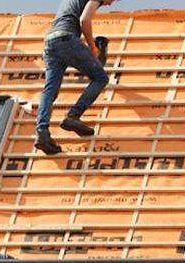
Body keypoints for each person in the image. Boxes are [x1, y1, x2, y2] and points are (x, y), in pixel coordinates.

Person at [34, 0, 117, 155]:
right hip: (66, 39)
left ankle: (42, 133)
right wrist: (92, 47)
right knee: (100, 78)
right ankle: (73, 115)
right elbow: (84, 20)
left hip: (50, 42)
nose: (111, 4)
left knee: (50, 90)